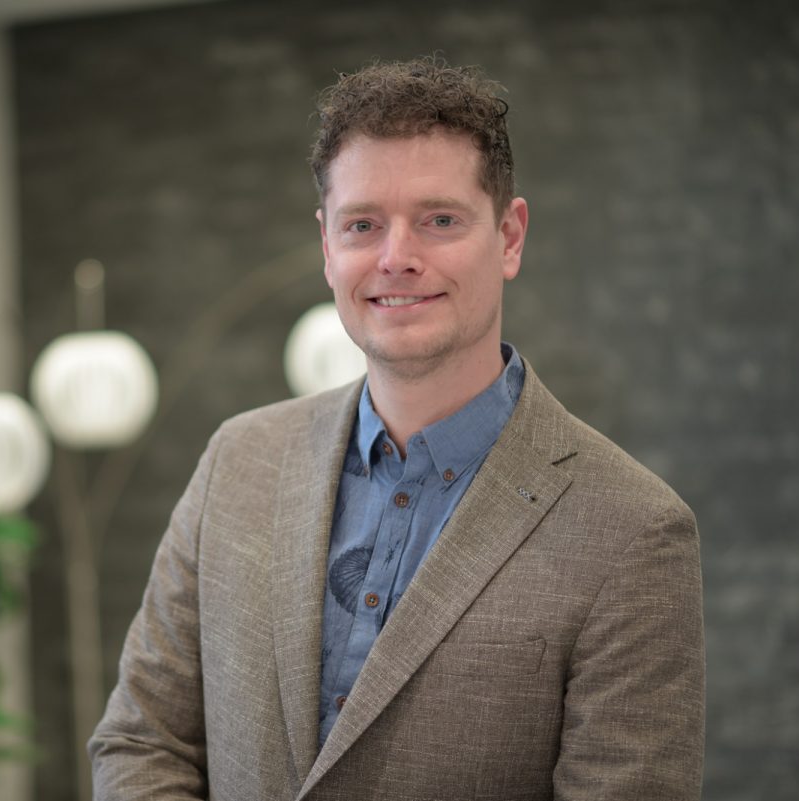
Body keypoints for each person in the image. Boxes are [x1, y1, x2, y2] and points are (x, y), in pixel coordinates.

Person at [89, 56, 705, 801]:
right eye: (363, 225)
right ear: (327, 247)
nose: (396, 257)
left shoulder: (633, 531)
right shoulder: (237, 461)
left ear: (509, 237)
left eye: (439, 220)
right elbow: (140, 739)